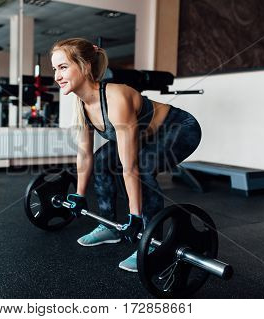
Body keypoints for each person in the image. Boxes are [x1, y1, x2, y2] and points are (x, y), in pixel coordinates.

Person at [51, 38, 202, 272]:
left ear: (85, 66)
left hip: (180, 128)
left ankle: (152, 242)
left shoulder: (116, 98)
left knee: (142, 166)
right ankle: (109, 226)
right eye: (55, 69)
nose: (57, 76)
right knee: (103, 159)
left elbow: (129, 166)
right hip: (147, 136)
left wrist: (135, 216)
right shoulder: (81, 104)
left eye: (63, 68)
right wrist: (79, 195)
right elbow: (85, 155)